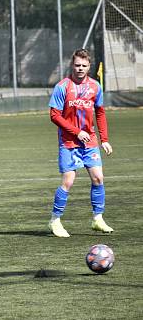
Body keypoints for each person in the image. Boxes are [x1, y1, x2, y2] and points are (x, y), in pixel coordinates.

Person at [48, 48, 114, 238]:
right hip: (69, 142)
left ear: (89, 67)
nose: (80, 68)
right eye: (77, 65)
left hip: (90, 141)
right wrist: (77, 132)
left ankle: (97, 218)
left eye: (84, 66)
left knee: (98, 178)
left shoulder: (95, 86)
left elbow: (100, 112)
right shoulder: (62, 86)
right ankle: (55, 220)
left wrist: (105, 139)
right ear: (72, 65)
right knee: (68, 181)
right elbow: (54, 116)